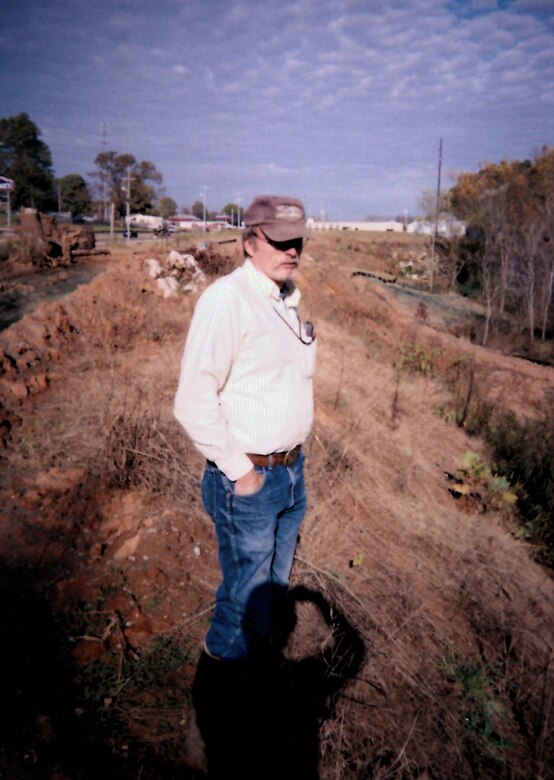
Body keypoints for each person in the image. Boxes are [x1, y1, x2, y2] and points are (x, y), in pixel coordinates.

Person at [174, 194, 316, 663]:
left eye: (296, 241)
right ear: (249, 242)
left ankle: (257, 676)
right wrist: (241, 472)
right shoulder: (227, 300)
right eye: (279, 241)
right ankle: (223, 703)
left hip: (290, 475)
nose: (291, 250)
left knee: (270, 592)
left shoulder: (283, 298)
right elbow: (193, 400)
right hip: (250, 480)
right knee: (243, 601)